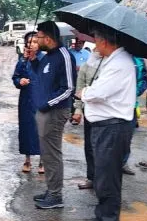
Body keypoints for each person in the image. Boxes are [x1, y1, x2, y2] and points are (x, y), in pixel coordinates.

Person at [71, 28, 137, 221]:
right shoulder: (110, 60)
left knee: (108, 179)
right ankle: (101, 219)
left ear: (105, 41)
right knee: (101, 176)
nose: (94, 45)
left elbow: (98, 92)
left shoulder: (120, 64)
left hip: (113, 127)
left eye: (96, 41)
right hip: (104, 126)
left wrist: (85, 93)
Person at [30, 21, 75, 209]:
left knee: (52, 153)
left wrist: (48, 104)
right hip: (43, 110)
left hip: (55, 112)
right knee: (46, 153)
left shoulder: (64, 56)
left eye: (39, 37)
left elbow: (69, 88)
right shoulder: (47, 56)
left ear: (48, 38)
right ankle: (51, 189)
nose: (36, 40)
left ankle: (56, 195)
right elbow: (41, 78)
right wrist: (33, 60)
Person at [71, 44, 103, 191]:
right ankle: (92, 177)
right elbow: (79, 89)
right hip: (90, 112)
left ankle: (103, 180)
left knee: (104, 149)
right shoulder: (86, 66)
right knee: (89, 146)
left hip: (106, 115)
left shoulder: (113, 67)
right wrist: (78, 110)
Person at [12, 32, 43, 175]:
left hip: (41, 99)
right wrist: (20, 81)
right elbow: (16, 77)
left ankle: (43, 160)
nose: (32, 44)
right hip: (25, 99)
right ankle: (27, 159)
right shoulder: (22, 60)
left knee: (42, 129)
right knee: (26, 129)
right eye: (30, 42)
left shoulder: (45, 58)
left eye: (36, 41)